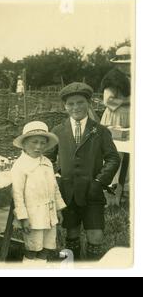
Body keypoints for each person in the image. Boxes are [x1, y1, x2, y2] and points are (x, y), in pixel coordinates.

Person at [46, 82, 120, 261]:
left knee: (96, 236)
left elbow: (113, 158)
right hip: (67, 194)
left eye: (80, 102)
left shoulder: (100, 131)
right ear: (65, 107)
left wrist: (99, 182)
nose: (75, 107)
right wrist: (55, 178)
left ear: (89, 103)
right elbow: (47, 159)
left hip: (92, 193)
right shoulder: (57, 131)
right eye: (70, 104)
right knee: (71, 235)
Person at [11, 121, 66, 263]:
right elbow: (17, 194)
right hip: (33, 215)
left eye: (42, 143)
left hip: (49, 212)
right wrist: (23, 217)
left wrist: (59, 209)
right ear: (24, 144)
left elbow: (54, 187)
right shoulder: (20, 166)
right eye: (34, 142)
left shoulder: (47, 162)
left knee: (47, 247)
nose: (38, 146)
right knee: (33, 248)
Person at [100, 46, 131, 128]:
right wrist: (128, 101)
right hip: (117, 116)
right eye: (123, 64)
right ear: (117, 64)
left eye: (129, 64)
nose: (127, 67)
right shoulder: (113, 79)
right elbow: (108, 100)